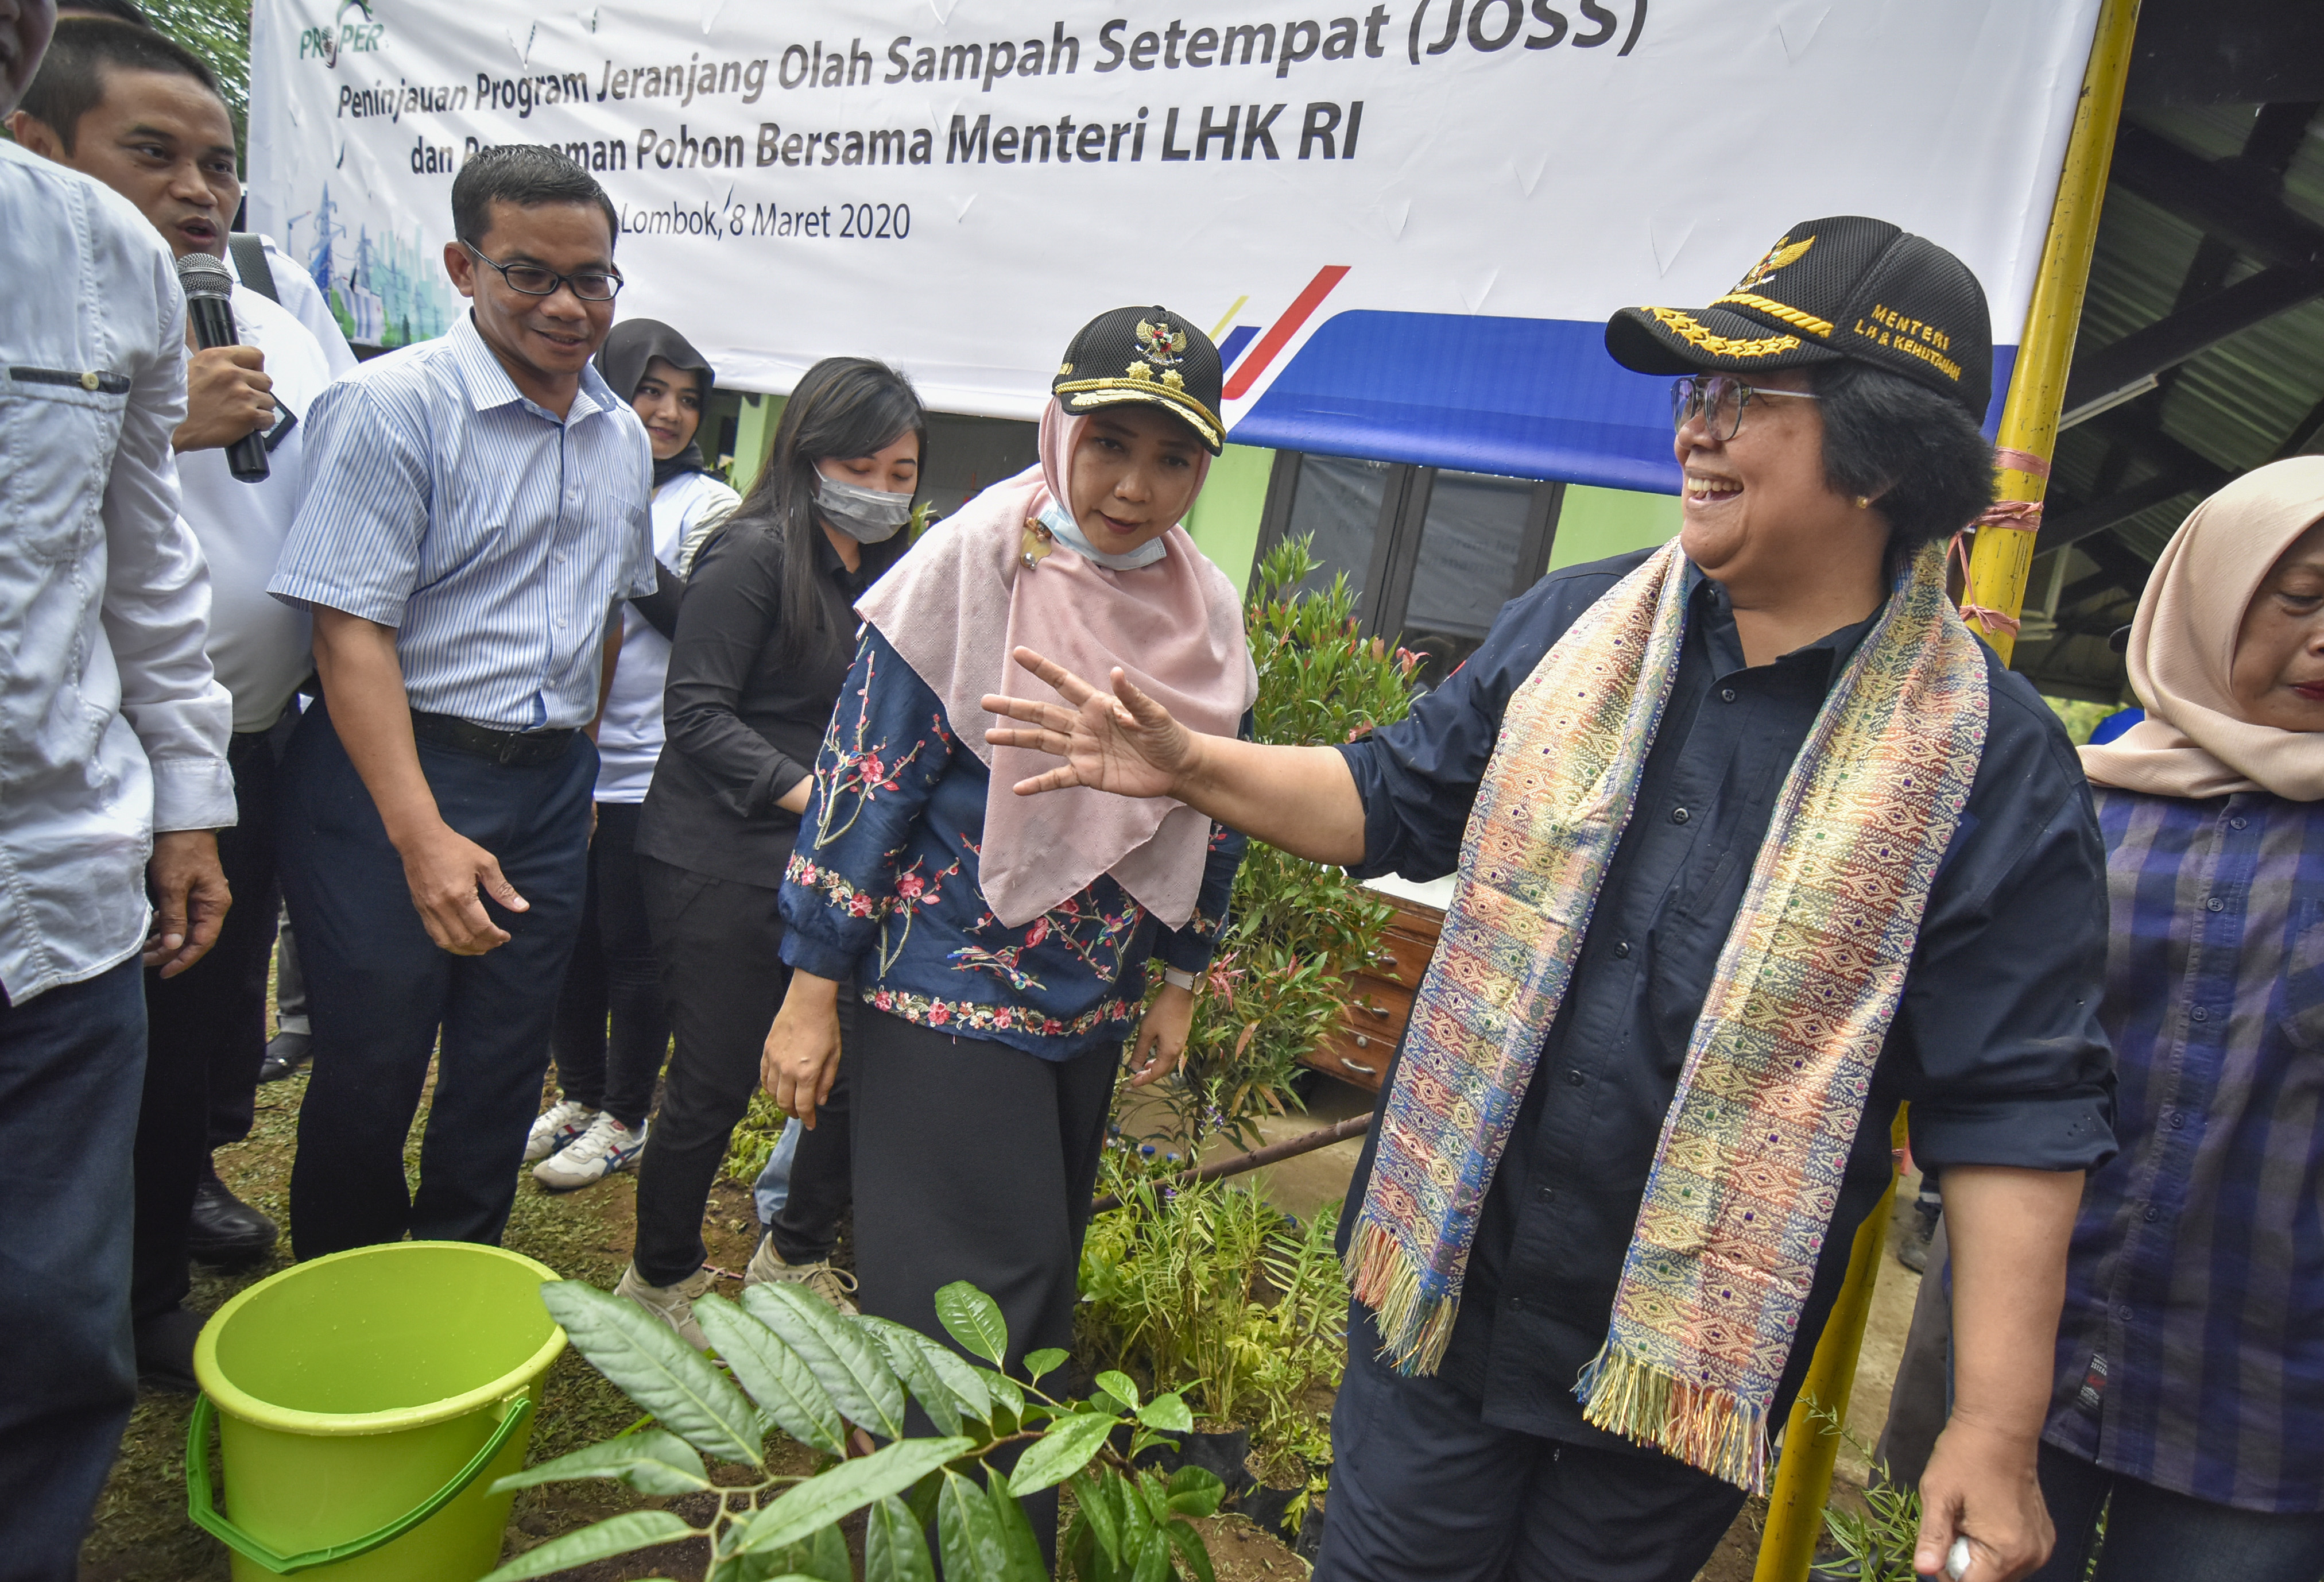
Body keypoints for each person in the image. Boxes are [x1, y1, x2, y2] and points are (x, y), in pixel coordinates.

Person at [983, 225, 2117, 1582]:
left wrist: (1992, 1425)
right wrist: (1185, 764)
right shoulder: (1571, 629)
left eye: (1741, 401)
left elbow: (2014, 1108)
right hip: (1439, 1304)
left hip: (1670, 1376)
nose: (1696, 435)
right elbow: (1385, 797)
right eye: (1694, 398)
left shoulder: (1983, 758)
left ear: (1881, 455)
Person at [765, 307, 1254, 1557]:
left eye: (1170, 458)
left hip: (1085, 1005)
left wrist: (1182, 974)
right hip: (942, 996)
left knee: (1023, 1289)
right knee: (975, 1299)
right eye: (1108, 445)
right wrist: (810, 985)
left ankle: (957, 1530)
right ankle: (957, 1544)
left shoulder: (1202, 607)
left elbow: (1216, 796)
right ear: (1058, 430)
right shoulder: (976, 560)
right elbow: (864, 778)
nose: (1133, 488)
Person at [10, 17, 338, 1384]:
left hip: (241, 750)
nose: (201, 192)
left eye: (220, 164)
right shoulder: (63, 304)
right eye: (156, 154)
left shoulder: (272, 313)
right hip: (98, 775)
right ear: (39, 142)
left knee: (206, 1021)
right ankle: (123, 1270)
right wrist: (163, 421)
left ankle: (171, 1205)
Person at [268, 145, 653, 1258]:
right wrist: (420, 831)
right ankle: (342, 1292)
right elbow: (347, 629)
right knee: (375, 1058)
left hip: (543, 789)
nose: (569, 306)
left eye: (593, 278)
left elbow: (607, 618)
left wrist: (571, 770)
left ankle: (453, 1275)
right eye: (530, 274)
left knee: (499, 1060)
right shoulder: (390, 410)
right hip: (389, 778)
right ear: (463, 265)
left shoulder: (619, 434)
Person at [1, 0, 237, 1562]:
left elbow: (146, 570)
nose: (198, 187)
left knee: (48, 1314)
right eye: (160, 151)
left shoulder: (102, 258)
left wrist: (185, 801)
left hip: (63, 876)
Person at [2025, 458, 2324, 1582]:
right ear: (2207, 595)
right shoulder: (2072, 807)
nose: (2322, 637)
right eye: (2295, 597)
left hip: (2269, 1404)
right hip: (2025, 1355)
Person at [616, 357, 923, 1341]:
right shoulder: (750, 555)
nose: (880, 491)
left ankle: (792, 1255)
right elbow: (696, 714)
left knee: (851, 1071)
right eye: (862, 466)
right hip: (723, 853)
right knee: (712, 1077)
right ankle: (659, 1279)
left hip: (843, 867)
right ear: (808, 453)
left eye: (902, 473)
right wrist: (823, 803)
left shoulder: (896, 576)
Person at [526, 319, 739, 1192]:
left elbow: (705, 630)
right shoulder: (560, 468)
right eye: (651, 390)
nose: (669, 413)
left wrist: (624, 541)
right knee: (565, 941)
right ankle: (579, 1094)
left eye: (689, 400)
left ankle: (625, 1115)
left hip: (648, 764)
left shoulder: (708, 507)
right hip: (556, 751)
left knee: (631, 947)